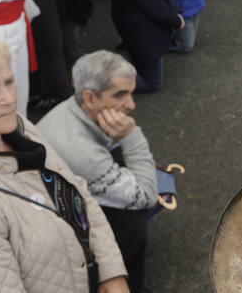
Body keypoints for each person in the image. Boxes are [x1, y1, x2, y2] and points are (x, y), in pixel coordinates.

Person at [0, 29, 129, 293]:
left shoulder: (17, 128)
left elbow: (75, 189)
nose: (8, 99)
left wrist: (111, 271)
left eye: (9, 82)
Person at [38, 51, 158, 293]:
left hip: (59, 190)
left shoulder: (72, 106)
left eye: (130, 93)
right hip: (59, 221)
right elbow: (147, 195)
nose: (131, 105)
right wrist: (131, 136)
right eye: (120, 95)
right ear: (90, 98)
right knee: (133, 223)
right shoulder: (83, 154)